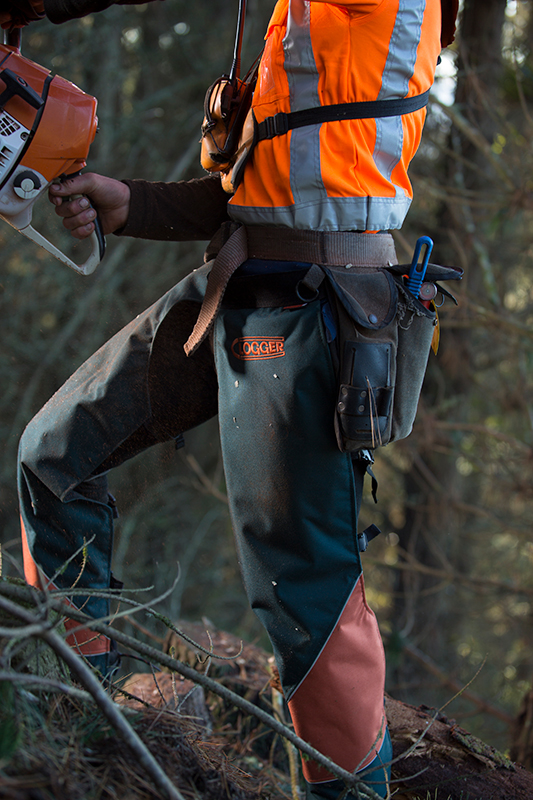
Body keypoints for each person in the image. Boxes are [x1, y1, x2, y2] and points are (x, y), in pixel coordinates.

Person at [16, 0, 458, 797]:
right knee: (54, 455)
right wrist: (133, 202)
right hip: (239, 281)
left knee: (304, 589)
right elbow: (249, 190)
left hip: (315, 307)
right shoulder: (295, 22)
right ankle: (84, 707)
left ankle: (349, 793)